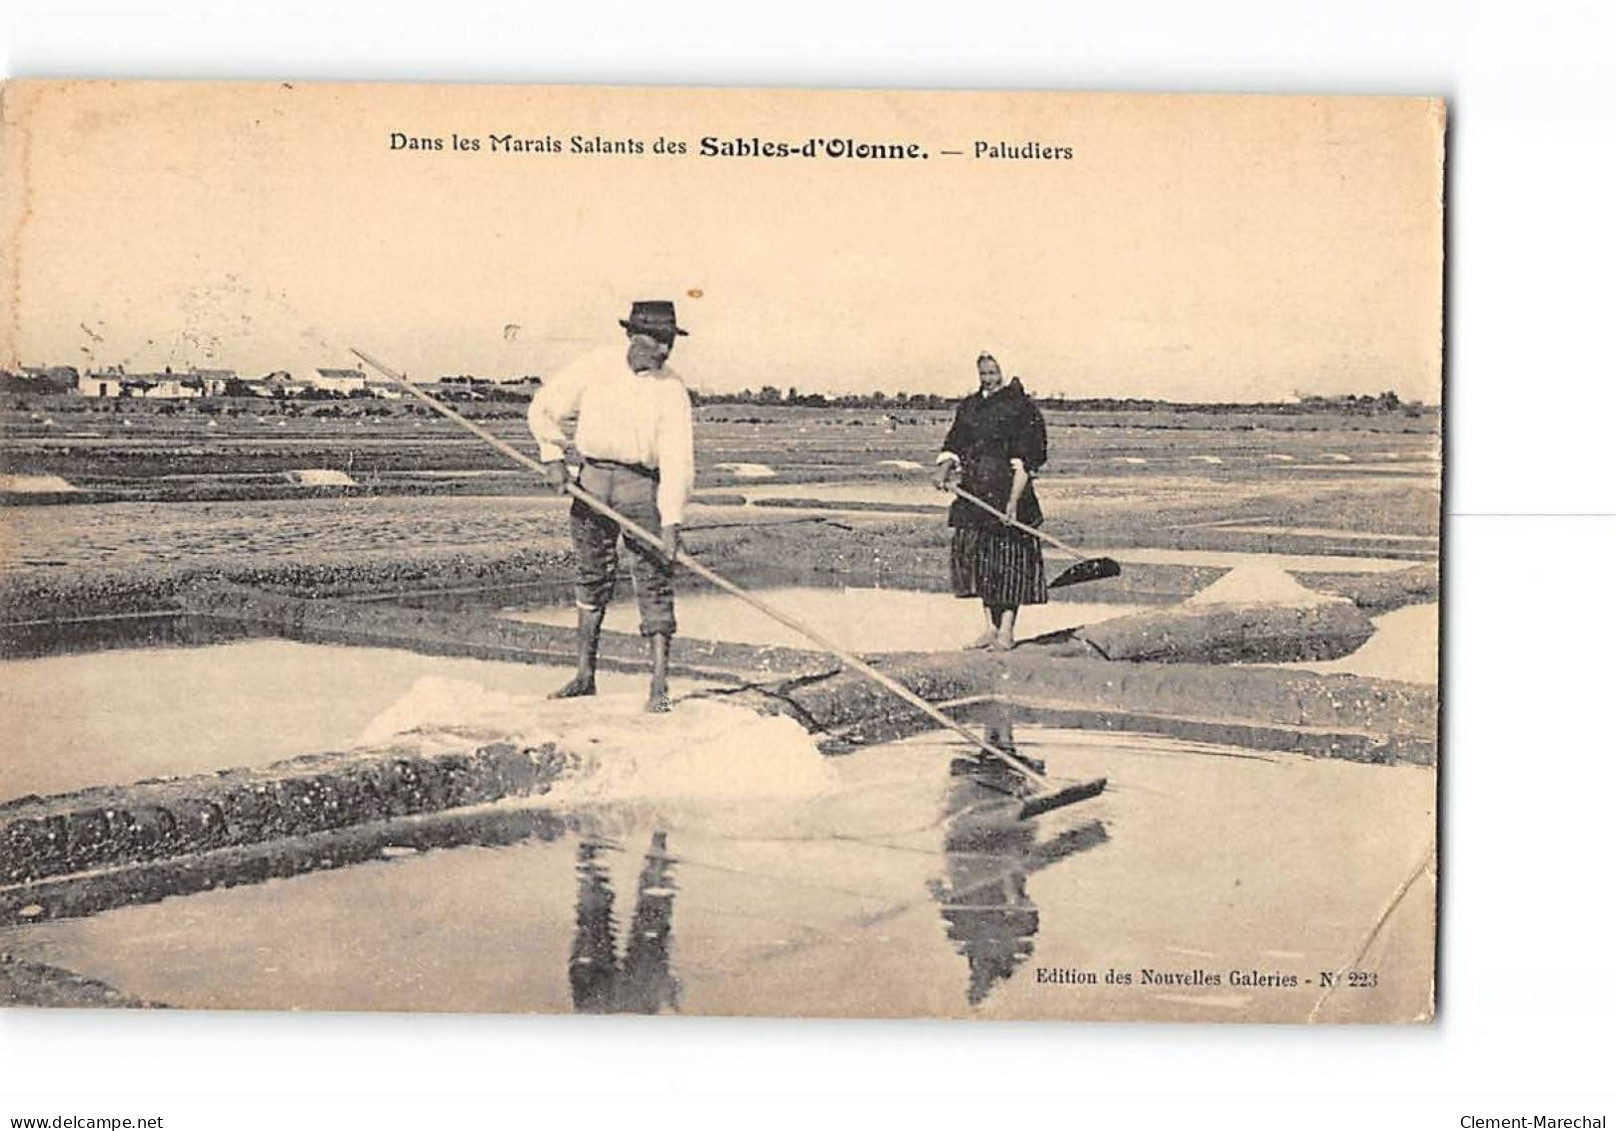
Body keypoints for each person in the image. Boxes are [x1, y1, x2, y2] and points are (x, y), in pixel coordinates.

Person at [528, 300, 696, 712]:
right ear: (631, 335)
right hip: (592, 482)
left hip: (641, 488)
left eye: (668, 341)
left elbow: (678, 459)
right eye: (655, 339)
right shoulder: (595, 366)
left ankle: (658, 689)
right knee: (591, 577)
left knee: (654, 578)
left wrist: (672, 522)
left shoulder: (672, 389)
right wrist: (552, 457)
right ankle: (585, 677)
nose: (662, 350)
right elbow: (544, 408)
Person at [932, 352, 1049, 650]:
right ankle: (989, 629)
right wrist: (943, 471)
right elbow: (954, 443)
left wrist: (1012, 504)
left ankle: (1007, 631)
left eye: (994, 373)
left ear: (1003, 372)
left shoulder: (1021, 408)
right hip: (975, 496)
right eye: (984, 374)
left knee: (1010, 564)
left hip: (1011, 494)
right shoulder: (969, 407)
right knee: (981, 565)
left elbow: (1024, 462)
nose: (989, 379)